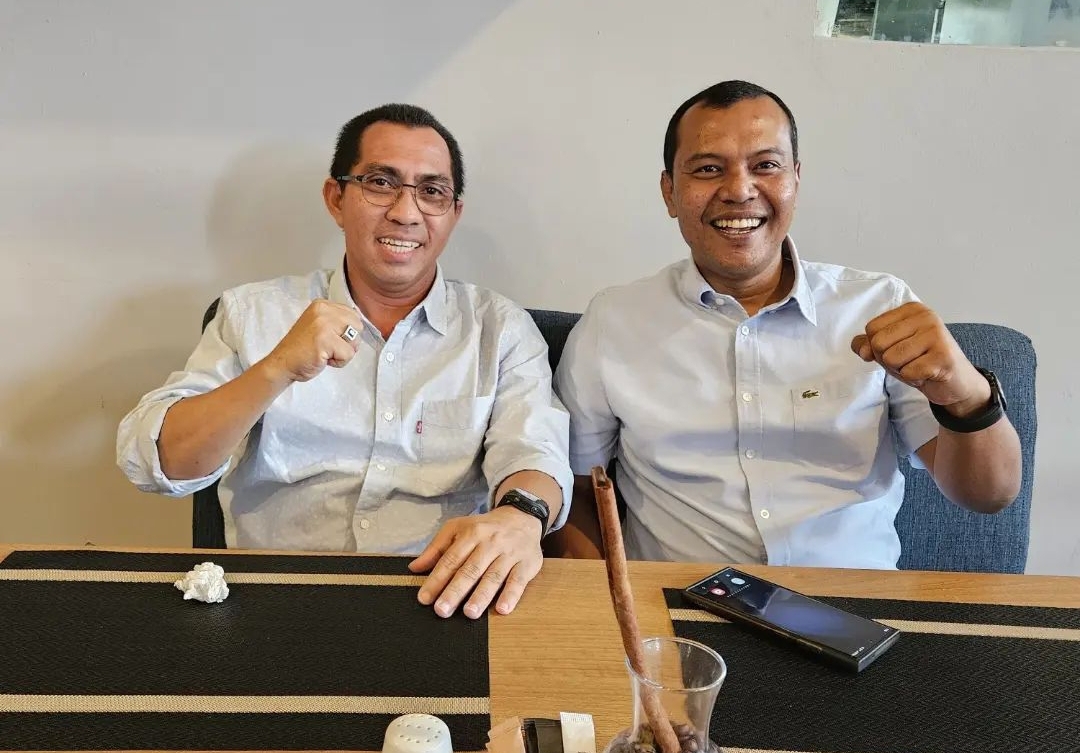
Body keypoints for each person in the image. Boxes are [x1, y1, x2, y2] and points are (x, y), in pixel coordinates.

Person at [118, 104, 572, 618]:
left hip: (443, 596)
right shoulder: (253, 315)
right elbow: (156, 464)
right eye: (381, 183)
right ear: (336, 198)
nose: (406, 212)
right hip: (273, 599)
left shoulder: (500, 328)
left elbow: (535, 451)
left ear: (453, 213)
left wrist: (520, 516)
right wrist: (276, 368)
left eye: (431, 191)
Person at [553, 81, 1021, 568]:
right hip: (680, 602)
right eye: (708, 169)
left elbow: (989, 495)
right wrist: (603, 598)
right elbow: (575, 493)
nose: (739, 190)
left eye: (765, 166)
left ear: (795, 180)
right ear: (670, 191)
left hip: (854, 601)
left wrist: (965, 395)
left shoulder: (879, 307)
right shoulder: (613, 323)